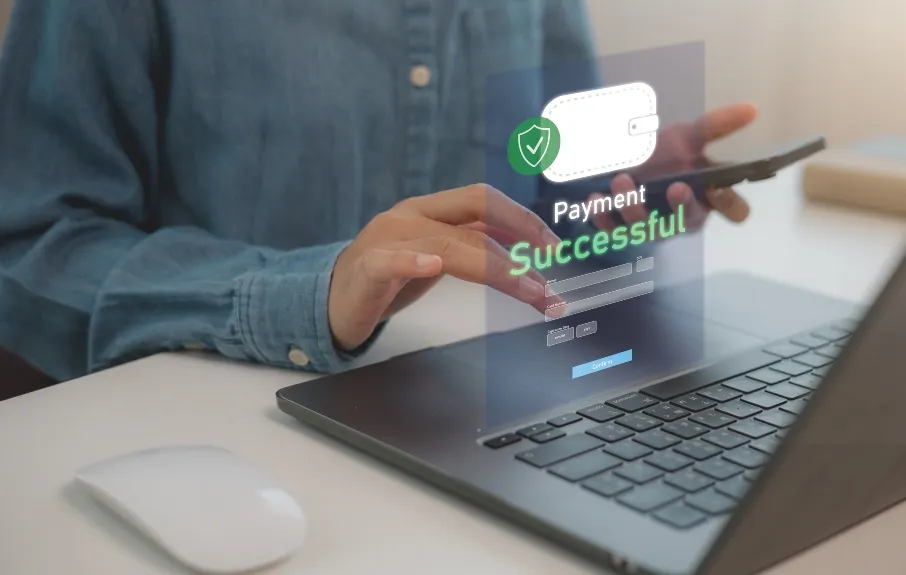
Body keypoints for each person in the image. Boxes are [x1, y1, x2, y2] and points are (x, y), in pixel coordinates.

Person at [0, 0, 756, 383]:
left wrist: (624, 183)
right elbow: (34, 243)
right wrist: (310, 294)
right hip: (224, 434)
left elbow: (545, 181)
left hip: (484, 414)